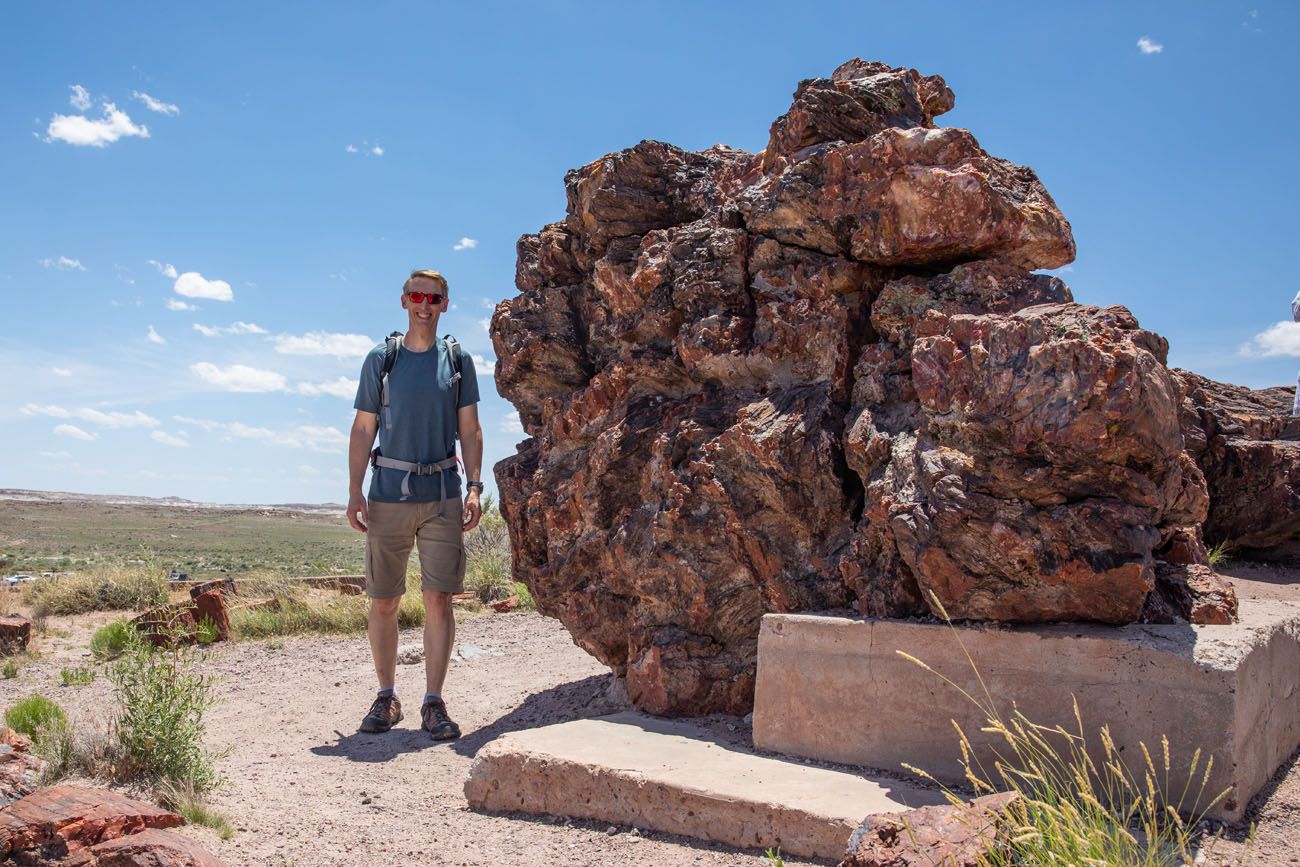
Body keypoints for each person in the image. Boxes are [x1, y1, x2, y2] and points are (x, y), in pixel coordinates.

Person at [346, 268, 483, 740]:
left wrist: (475, 487)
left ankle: (433, 702)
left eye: (434, 297)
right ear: (404, 300)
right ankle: (386, 696)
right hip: (388, 494)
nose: (425, 304)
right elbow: (364, 428)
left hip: (443, 493)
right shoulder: (381, 359)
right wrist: (353, 490)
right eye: (417, 295)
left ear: (445, 304)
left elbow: (470, 428)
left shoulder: (457, 360)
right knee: (384, 602)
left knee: (438, 599)